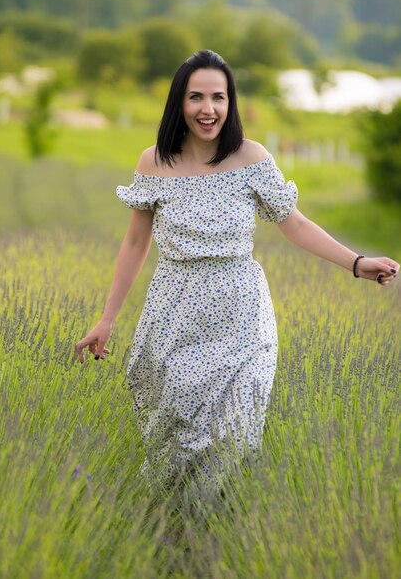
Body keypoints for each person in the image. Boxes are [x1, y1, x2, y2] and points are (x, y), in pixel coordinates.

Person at [75, 49, 399, 494]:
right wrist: (107, 319)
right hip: (174, 311)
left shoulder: (251, 157)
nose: (208, 109)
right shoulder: (155, 162)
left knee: (236, 428)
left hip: (241, 310)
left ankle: (227, 518)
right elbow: (135, 242)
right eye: (196, 97)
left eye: (218, 97)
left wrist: (357, 263)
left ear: (230, 103)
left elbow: (295, 223)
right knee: (176, 437)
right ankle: (178, 531)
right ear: (179, 103)